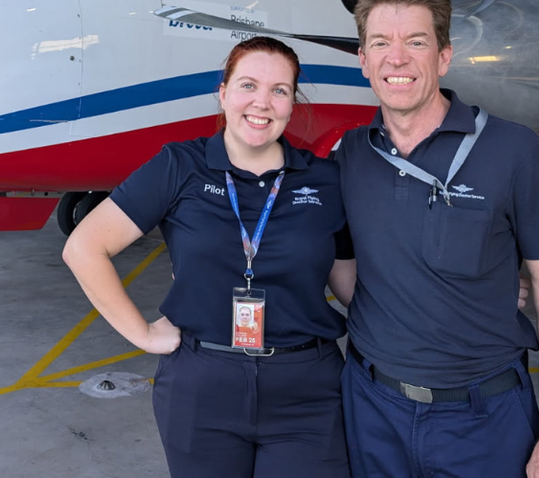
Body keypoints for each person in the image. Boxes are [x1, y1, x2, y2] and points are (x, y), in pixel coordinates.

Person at [63, 36, 355, 478]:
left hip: (308, 389)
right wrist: (142, 333)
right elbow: (84, 247)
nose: (262, 102)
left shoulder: (325, 180)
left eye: (279, 90)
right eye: (248, 85)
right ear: (223, 92)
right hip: (202, 385)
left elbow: (351, 286)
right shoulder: (180, 166)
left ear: (293, 103)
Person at [336, 0, 539, 478]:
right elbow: (342, 267)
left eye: (417, 42)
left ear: (445, 57)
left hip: (483, 417)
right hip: (371, 407)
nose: (397, 58)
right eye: (381, 43)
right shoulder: (349, 156)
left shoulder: (514, 151)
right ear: (363, 60)